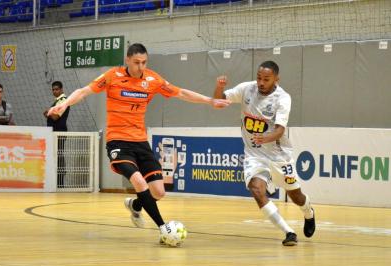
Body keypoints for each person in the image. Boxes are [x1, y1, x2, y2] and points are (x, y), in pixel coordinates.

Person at [48, 43, 230, 243]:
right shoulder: (112, 76)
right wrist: (64, 104)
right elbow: (83, 91)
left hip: (140, 142)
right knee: (138, 181)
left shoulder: (152, 79)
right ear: (127, 60)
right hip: (118, 141)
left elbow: (181, 93)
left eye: (144, 62)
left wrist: (210, 101)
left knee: (159, 192)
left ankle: (136, 205)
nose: (140, 67)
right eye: (136, 63)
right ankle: (164, 228)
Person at [213, 61, 315, 246]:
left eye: (266, 79)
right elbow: (218, 102)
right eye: (259, 77)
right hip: (255, 154)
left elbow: (279, 131)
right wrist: (219, 88)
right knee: (256, 189)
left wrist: (265, 138)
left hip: (278, 155)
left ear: (276, 79)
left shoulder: (283, 98)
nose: (261, 82)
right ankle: (289, 232)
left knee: (296, 196)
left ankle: (308, 212)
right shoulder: (247, 89)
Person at [44, 81, 70, 188]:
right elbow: (52, 115)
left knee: (58, 156)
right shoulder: (57, 101)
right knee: (56, 156)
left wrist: (48, 112)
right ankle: (57, 183)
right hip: (55, 132)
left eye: (57, 89)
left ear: (61, 89)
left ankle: (60, 184)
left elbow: (55, 117)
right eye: (53, 89)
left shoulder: (63, 100)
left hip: (59, 132)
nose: (55, 91)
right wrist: (49, 113)